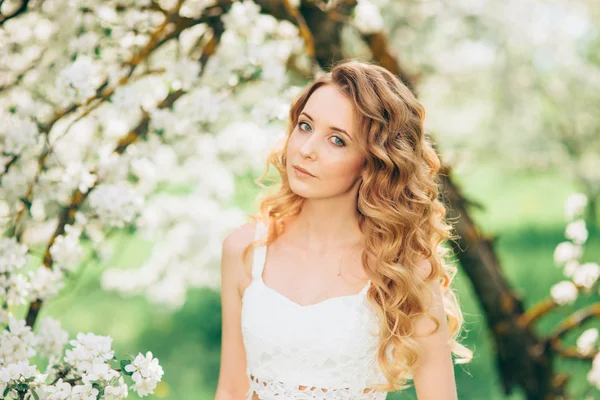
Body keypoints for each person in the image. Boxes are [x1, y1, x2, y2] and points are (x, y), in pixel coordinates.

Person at [215, 60, 472, 400]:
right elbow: (232, 389)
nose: (305, 151)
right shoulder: (244, 250)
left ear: (372, 163)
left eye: (336, 140)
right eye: (305, 126)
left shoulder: (404, 270)